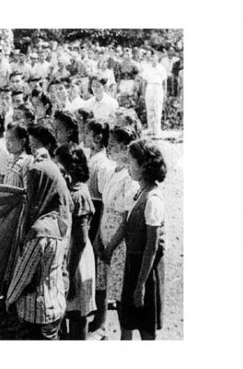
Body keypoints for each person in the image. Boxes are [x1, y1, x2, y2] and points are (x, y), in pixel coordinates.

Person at [6, 124, 71, 340]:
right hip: (55, 302)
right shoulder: (60, 220)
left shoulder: (39, 232)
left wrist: (9, 300)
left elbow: (24, 275)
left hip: (35, 311)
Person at [89, 126, 140, 340]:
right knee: (101, 284)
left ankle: (125, 337)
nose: (108, 149)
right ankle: (101, 325)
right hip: (105, 233)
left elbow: (126, 219)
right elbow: (105, 206)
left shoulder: (131, 177)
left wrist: (110, 246)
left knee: (119, 294)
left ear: (125, 148)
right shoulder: (113, 171)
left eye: (113, 146)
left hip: (119, 243)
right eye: (108, 145)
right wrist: (100, 239)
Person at [119, 138, 167, 340]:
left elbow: (151, 247)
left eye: (131, 162)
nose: (127, 166)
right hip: (134, 266)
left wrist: (140, 285)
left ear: (145, 166)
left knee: (146, 329)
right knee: (129, 320)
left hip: (146, 273)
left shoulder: (153, 200)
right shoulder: (139, 192)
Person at [54, 142, 97, 340]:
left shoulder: (79, 195)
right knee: (63, 312)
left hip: (76, 261)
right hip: (67, 255)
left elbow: (80, 239)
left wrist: (68, 275)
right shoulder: (69, 190)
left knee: (77, 314)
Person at [141, 51, 168, 137]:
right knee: (150, 109)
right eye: (152, 57)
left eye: (155, 57)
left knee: (158, 108)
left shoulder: (161, 68)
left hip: (158, 87)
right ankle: (150, 129)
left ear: (158, 59)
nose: (153, 59)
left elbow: (165, 81)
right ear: (150, 59)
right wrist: (143, 92)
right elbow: (144, 81)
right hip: (150, 87)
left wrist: (165, 92)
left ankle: (157, 130)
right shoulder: (147, 68)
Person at [3, 121, 33, 189]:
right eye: (6, 139)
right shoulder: (10, 159)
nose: (7, 143)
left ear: (22, 141)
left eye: (11, 140)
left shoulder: (27, 161)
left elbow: (27, 189)